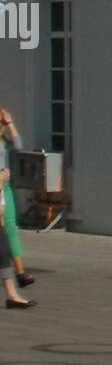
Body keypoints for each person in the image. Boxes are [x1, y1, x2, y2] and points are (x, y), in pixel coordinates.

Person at [0, 108, 33, 288]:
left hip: (4, 187)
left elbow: (19, 145)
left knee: (10, 228)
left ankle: (20, 273)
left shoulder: (3, 141)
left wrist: (10, 123)